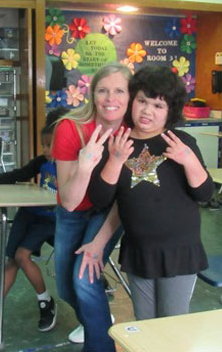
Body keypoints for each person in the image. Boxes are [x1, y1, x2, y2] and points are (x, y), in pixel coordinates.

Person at [78, 65, 214, 321]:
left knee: (171, 325)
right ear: (132, 101)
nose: (147, 111)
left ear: (169, 111)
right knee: (145, 324)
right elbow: (102, 199)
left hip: (179, 252)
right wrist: (115, 161)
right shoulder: (118, 143)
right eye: (142, 101)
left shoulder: (181, 141)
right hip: (139, 251)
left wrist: (189, 160)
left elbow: (205, 194)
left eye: (158, 106)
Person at [51, 62, 132, 352]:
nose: (110, 99)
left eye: (119, 90)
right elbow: (70, 202)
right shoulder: (70, 128)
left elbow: (127, 197)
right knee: (65, 287)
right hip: (72, 212)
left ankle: (100, 344)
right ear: (92, 94)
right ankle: (97, 316)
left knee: (83, 278)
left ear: (130, 96)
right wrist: (86, 163)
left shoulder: (135, 131)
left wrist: (98, 243)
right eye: (103, 90)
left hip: (109, 212)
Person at [0, 107, 68, 337]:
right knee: (11, 260)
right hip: (29, 214)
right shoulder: (41, 161)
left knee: (22, 255)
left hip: (49, 221)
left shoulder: (70, 164)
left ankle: (45, 302)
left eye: (50, 144)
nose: (46, 150)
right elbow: (18, 174)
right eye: (44, 144)